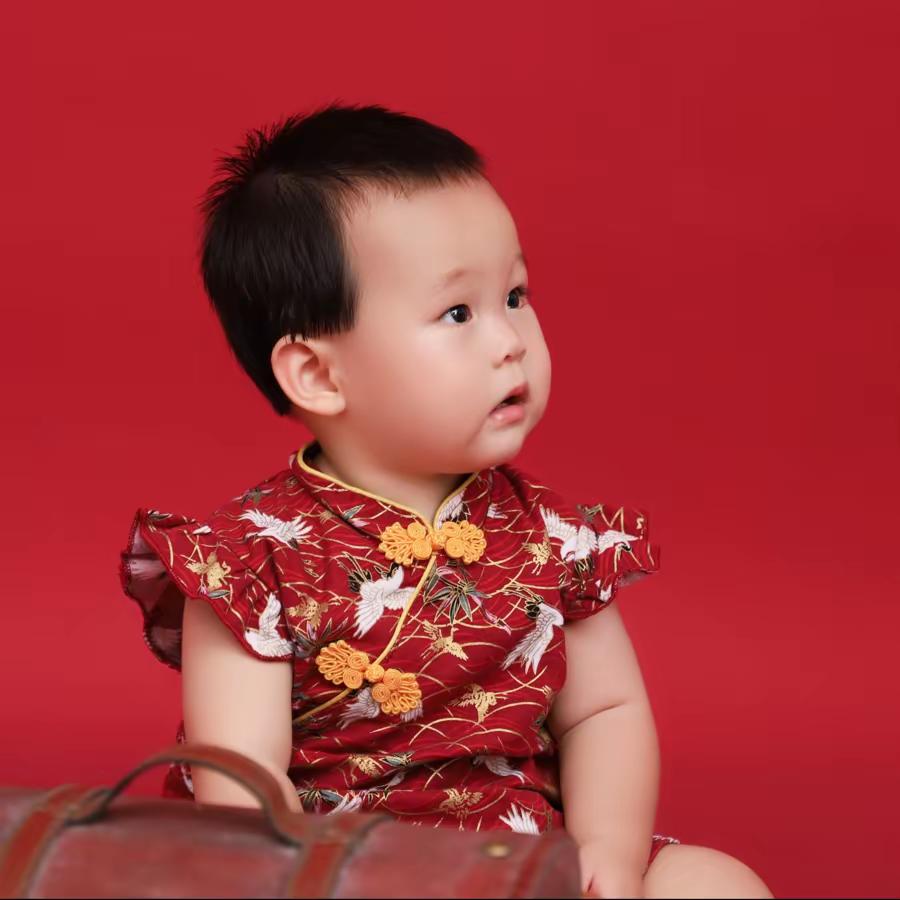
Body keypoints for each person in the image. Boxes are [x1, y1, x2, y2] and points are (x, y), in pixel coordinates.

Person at [119, 102, 773, 898]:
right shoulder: (252, 560)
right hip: (336, 869)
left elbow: (603, 711)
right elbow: (241, 779)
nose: (510, 341)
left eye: (516, 295)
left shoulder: (553, 536)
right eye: (458, 312)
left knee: (716, 883)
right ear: (319, 375)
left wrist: (606, 849)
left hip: (520, 853)